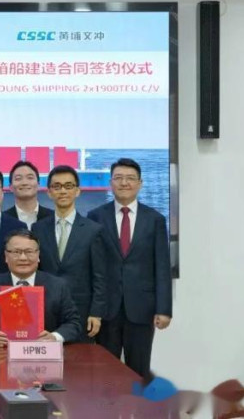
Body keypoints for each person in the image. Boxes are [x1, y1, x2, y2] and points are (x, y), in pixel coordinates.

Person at [87, 158, 172, 378]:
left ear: (140, 183)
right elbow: (92, 265)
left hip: (142, 308)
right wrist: (93, 309)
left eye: (130, 178)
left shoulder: (155, 219)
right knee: (105, 372)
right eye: (118, 178)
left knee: (139, 371)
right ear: (110, 183)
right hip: (106, 309)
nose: (124, 183)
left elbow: (162, 267)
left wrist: (164, 308)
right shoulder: (95, 216)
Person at [31, 165, 107, 342]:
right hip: (46, 310)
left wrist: (96, 312)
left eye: (68, 186)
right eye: (57, 186)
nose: (63, 191)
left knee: (79, 359)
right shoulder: (38, 228)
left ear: (77, 191)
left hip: (81, 311)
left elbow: (100, 276)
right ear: (49, 192)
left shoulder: (93, 230)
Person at [0, 229, 82, 346]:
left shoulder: (58, 286)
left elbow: (73, 323)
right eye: (16, 252)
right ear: (6, 256)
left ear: (38, 255)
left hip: (43, 352)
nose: (23, 258)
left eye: (29, 252)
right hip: (1, 352)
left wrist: (54, 337)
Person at [5, 160, 54, 229]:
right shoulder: (2, 219)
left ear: (38, 185)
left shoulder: (53, 217)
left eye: (30, 178)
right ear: (10, 187)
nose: (24, 183)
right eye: (18, 178)